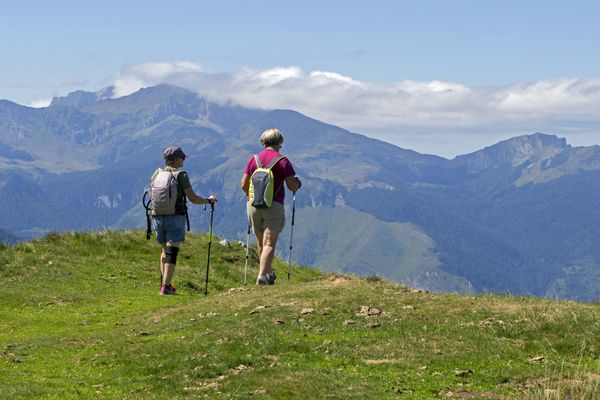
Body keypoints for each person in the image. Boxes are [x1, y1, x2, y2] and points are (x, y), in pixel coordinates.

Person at [151, 146, 218, 295]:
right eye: (182, 157)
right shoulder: (181, 175)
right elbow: (193, 198)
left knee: (164, 250)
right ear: (175, 160)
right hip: (175, 216)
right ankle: (166, 287)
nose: (184, 160)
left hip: (157, 216)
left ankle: (165, 284)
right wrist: (209, 201)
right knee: (172, 251)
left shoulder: (157, 173)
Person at [240, 128, 301, 285]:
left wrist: (252, 197)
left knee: (261, 243)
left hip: (253, 205)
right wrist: (298, 183)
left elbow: (243, 184)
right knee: (269, 243)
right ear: (280, 142)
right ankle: (261, 276)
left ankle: (267, 274)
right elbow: (292, 186)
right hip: (273, 205)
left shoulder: (253, 159)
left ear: (263, 141)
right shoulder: (283, 161)